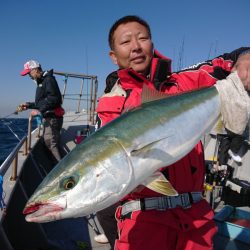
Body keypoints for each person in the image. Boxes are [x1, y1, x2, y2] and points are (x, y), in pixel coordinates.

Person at [95, 15, 250, 250]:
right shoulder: (110, 102)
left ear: (152, 44)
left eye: (143, 38)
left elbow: (231, 58)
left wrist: (245, 58)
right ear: (113, 56)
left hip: (196, 217)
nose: (136, 46)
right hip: (143, 220)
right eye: (126, 42)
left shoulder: (187, 81)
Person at [18, 60, 64, 164]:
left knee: (50, 144)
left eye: (29, 73)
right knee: (50, 143)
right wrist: (29, 105)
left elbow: (54, 99)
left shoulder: (48, 80)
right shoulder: (42, 81)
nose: (29, 76)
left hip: (52, 118)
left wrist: (39, 111)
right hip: (50, 117)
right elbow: (42, 102)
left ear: (35, 69)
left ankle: (61, 171)